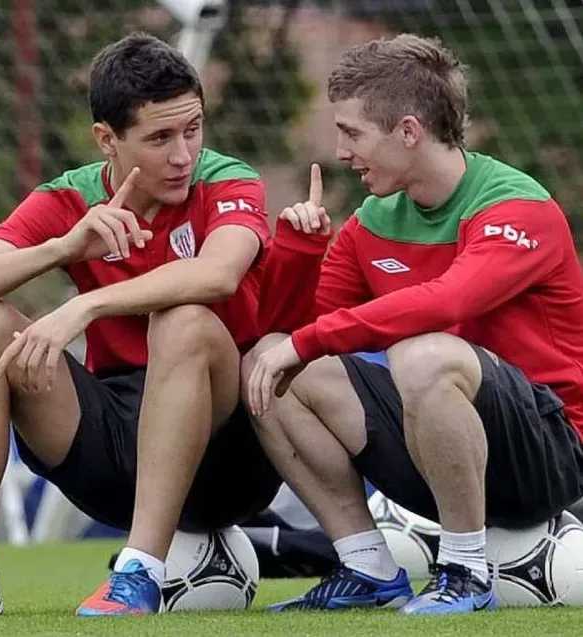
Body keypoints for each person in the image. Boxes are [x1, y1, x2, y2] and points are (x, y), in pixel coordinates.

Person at [0, 32, 281, 618]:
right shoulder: (68, 199)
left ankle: (140, 572)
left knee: (184, 320)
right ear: (107, 139)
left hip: (227, 453)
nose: (183, 155)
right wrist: (62, 247)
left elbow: (221, 274)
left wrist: (83, 306)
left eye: (192, 129)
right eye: (159, 138)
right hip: (115, 445)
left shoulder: (227, 180)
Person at [243, 34, 583, 615]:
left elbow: (446, 303)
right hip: (435, 452)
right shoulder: (372, 221)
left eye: (352, 133)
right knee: (269, 361)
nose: (342, 151)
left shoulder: (517, 206)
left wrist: (308, 340)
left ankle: (465, 572)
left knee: (424, 350)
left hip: (551, 456)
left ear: (407, 130)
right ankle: (366, 568)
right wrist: (299, 253)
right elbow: (290, 334)